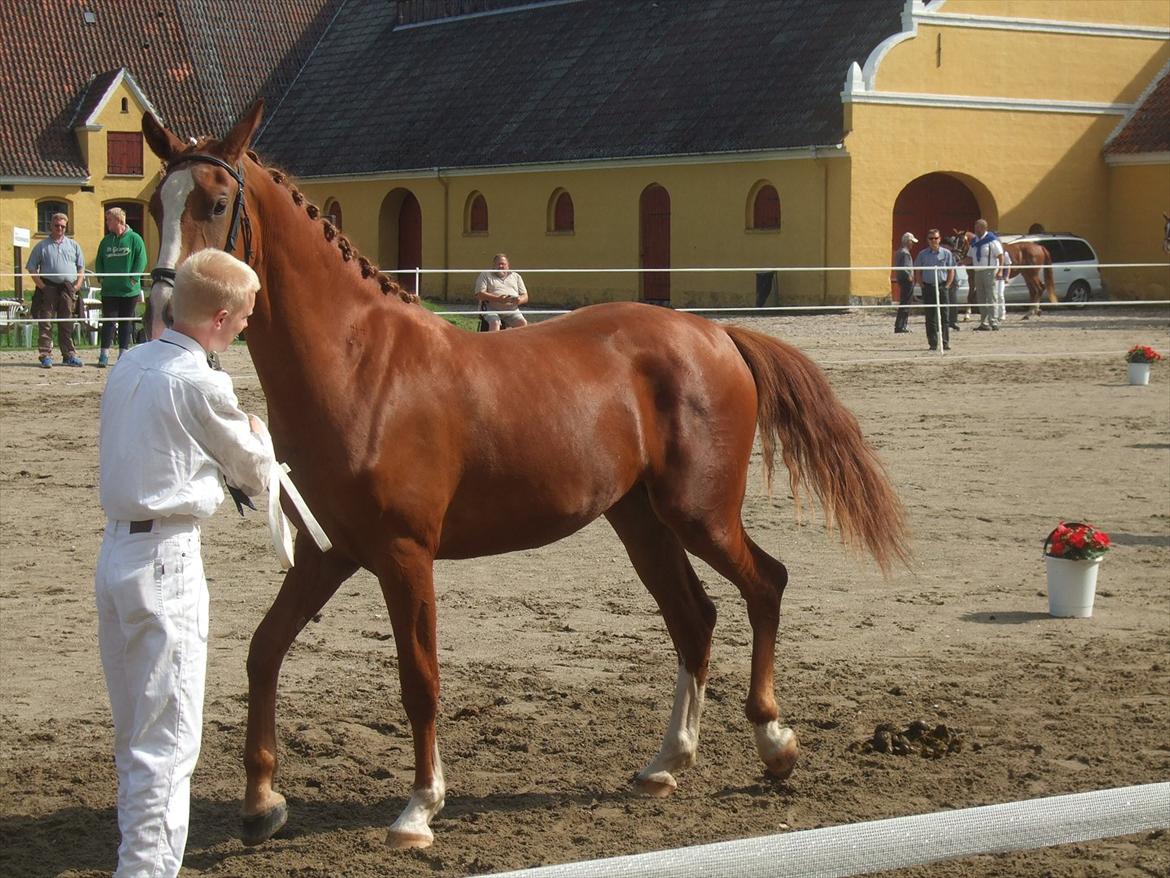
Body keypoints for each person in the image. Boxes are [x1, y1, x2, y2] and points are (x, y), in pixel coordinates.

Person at [95, 249, 275, 878]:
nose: (249, 324)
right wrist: (256, 432)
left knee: (137, 738)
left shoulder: (130, 363)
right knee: (167, 746)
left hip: (118, 551)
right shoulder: (201, 381)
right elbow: (253, 472)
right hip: (166, 559)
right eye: (246, 316)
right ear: (221, 318)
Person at [25, 212, 85, 368]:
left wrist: (77, 285)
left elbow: (81, 268)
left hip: (68, 288)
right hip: (48, 288)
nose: (60, 229)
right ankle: (45, 355)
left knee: (67, 323)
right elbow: (31, 267)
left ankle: (69, 355)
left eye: (63, 226)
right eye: (57, 225)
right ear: (51, 226)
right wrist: (42, 286)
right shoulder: (42, 246)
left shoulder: (74, 245)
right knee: (46, 322)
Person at [94, 207, 148, 367]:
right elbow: (99, 260)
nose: (106, 223)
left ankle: (123, 355)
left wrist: (133, 278)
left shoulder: (135, 239)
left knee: (126, 322)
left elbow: (141, 259)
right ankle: (104, 354)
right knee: (108, 321)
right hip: (110, 290)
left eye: (108, 219)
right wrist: (102, 278)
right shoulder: (106, 241)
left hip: (129, 291)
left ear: (118, 220)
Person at [913, 229, 956, 352]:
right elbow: (918, 271)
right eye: (931, 238)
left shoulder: (947, 253)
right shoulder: (922, 254)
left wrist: (947, 285)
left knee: (945, 315)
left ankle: (945, 342)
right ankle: (933, 343)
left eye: (936, 238)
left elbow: (951, 270)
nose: (933, 241)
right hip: (928, 287)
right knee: (930, 316)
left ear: (940, 239)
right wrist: (921, 285)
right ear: (927, 240)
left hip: (942, 286)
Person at [474, 253, 528, 331]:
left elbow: (525, 296)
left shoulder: (516, 276)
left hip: (512, 310)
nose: (501, 266)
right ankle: (493, 343)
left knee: (522, 323)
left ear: (508, 266)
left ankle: (513, 343)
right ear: (493, 265)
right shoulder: (485, 275)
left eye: (503, 264)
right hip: (491, 309)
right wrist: (498, 299)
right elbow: (479, 294)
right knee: (495, 323)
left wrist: (519, 300)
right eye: (498, 264)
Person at [969, 219, 1005, 331]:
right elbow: (969, 257)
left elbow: (1000, 256)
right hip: (977, 271)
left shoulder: (992, 241)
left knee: (991, 296)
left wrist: (1000, 270)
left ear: (984, 228)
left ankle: (993, 321)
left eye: (978, 227)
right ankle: (983, 322)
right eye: (975, 227)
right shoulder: (974, 242)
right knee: (981, 297)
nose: (976, 229)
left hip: (989, 271)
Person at [892, 232, 917, 334]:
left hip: (901, 279)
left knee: (903, 302)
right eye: (912, 242)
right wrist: (910, 276)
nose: (913, 244)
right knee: (906, 303)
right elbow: (905, 267)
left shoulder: (899, 252)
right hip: (906, 280)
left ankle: (899, 325)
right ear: (908, 242)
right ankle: (902, 325)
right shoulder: (905, 253)